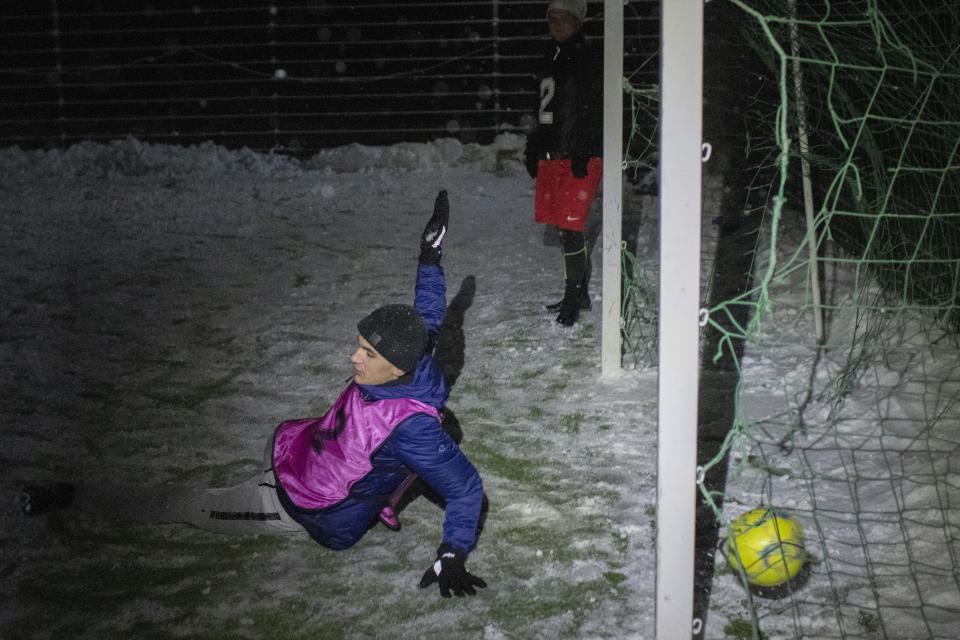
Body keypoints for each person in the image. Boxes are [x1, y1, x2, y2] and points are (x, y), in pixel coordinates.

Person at [21, 190, 488, 598]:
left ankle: (71, 496)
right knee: (424, 433)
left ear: (397, 367)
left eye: (367, 353)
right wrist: (429, 256)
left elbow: (466, 488)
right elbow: (427, 310)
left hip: (299, 506)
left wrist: (452, 552)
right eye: (359, 346)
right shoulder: (415, 353)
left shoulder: (411, 429)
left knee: (187, 504)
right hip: (301, 445)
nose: (353, 358)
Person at [524, 0, 603, 326]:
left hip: (579, 155)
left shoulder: (588, 57)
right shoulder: (548, 57)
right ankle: (578, 290)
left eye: (565, 19)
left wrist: (585, 148)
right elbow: (541, 109)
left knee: (571, 228)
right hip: (552, 154)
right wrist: (533, 145)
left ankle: (574, 296)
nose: (557, 25)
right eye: (552, 19)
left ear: (578, 21)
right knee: (562, 228)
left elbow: (596, 107)